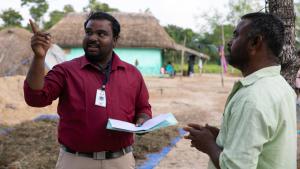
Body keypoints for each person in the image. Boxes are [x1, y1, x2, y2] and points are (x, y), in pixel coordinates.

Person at [24, 11, 152, 169]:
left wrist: (143, 120)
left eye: (101, 34)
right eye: (89, 32)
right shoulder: (65, 71)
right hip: (76, 161)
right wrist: (39, 58)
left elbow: (143, 108)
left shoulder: (132, 74)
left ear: (115, 40)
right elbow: (35, 98)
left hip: (121, 161)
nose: (92, 38)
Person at [184, 12, 296, 169]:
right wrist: (223, 137)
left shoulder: (253, 97)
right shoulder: (280, 86)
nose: (230, 43)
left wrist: (209, 145)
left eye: (236, 36)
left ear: (255, 42)